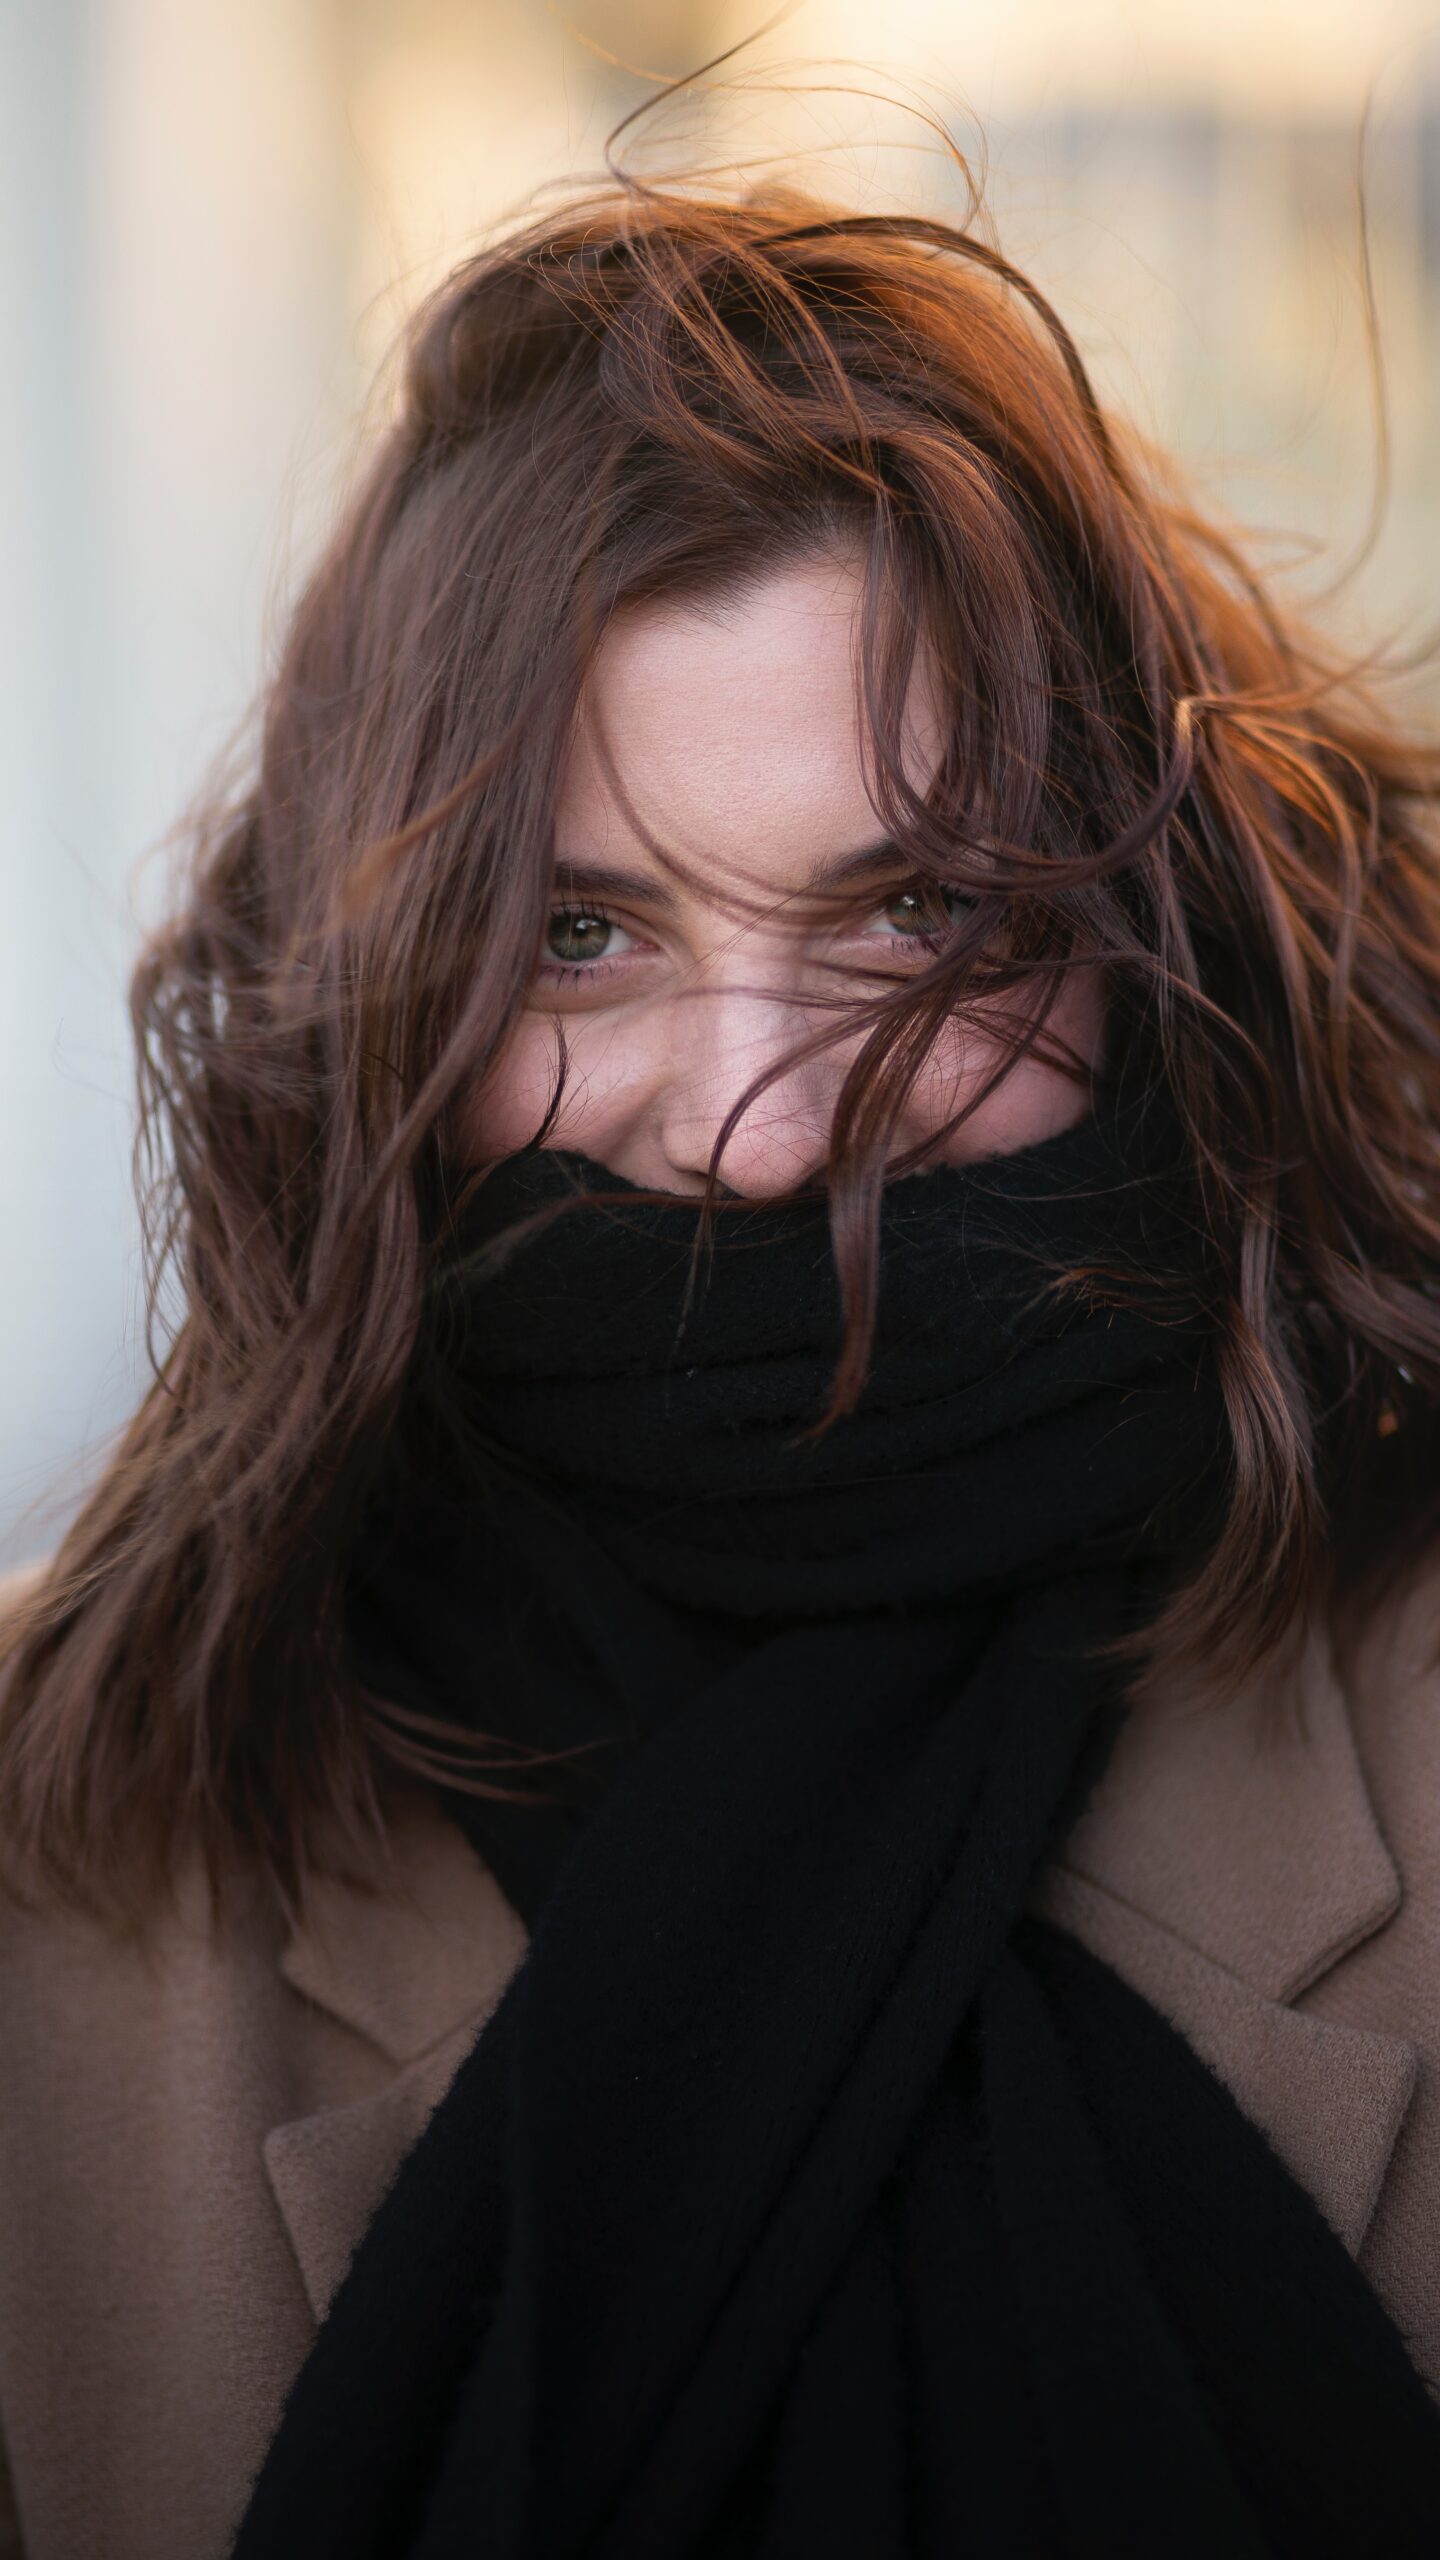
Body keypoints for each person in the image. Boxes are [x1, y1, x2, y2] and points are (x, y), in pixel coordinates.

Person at [3, 171, 1440, 2560]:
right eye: (580, 935)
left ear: (1147, 936)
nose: (763, 1129)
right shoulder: (67, 1881)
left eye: (913, 912)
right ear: (374, 999)